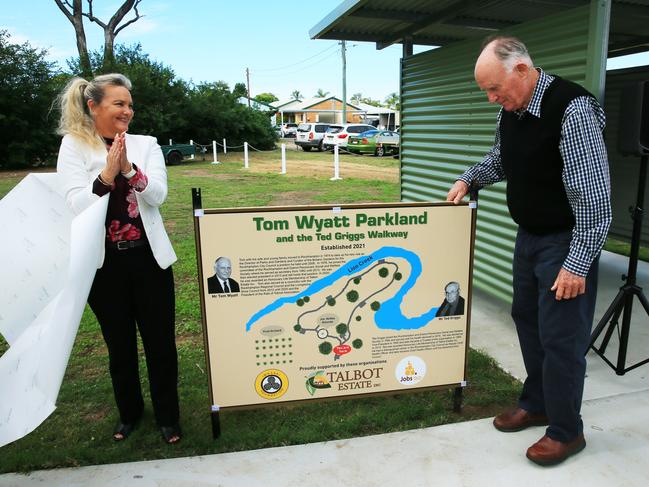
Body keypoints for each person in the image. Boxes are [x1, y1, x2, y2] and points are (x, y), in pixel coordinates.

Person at [447, 36, 611, 466]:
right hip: (530, 238)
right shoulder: (512, 111)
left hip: (565, 243)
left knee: (561, 337)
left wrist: (577, 264)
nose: (491, 98)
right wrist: (470, 179)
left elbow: (594, 200)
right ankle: (537, 403)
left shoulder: (571, 109)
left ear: (521, 70)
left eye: (494, 88)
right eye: (486, 91)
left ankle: (566, 431)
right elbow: (502, 157)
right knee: (528, 321)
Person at [56, 73, 182, 444]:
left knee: (161, 343)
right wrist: (107, 174)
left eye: (130, 104)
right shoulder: (74, 147)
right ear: (93, 106)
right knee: (120, 346)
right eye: (119, 104)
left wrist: (128, 169)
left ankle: (168, 416)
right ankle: (129, 413)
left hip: (149, 262)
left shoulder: (146, 144)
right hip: (104, 266)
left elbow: (158, 195)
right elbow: (76, 205)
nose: (128, 111)